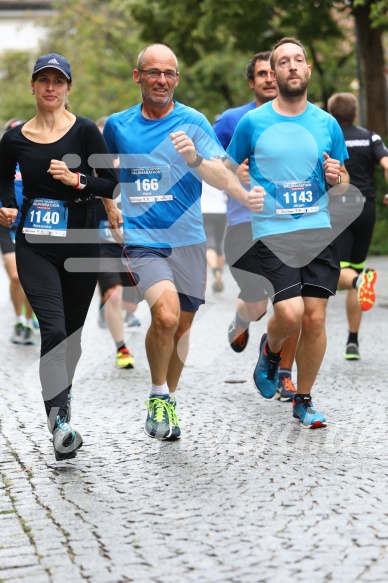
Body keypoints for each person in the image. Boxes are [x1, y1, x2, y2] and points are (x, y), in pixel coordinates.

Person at [102, 43, 262, 441]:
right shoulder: (118, 126)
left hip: (189, 239)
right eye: (153, 72)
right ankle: (157, 394)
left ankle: (168, 399)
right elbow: (103, 173)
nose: (162, 80)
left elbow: (221, 176)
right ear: (138, 76)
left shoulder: (193, 121)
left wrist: (193, 159)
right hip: (144, 239)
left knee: (181, 328)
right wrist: (109, 205)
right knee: (167, 316)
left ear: (177, 78)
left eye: (169, 73)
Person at [225, 38, 349, 428]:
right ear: (273, 73)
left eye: (299, 60)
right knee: (290, 314)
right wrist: (245, 189)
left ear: (308, 71)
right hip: (273, 232)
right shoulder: (253, 122)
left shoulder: (327, 123)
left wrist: (337, 177)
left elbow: (343, 182)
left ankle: (304, 400)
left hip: (319, 230)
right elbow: (227, 170)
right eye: (284, 62)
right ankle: (272, 349)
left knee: (314, 319)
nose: (292, 66)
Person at [0, 53, 118, 460]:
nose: (50, 87)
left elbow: (113, 184)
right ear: (32, 86)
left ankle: (62, 401)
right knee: (51, 328)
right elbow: (1, 178)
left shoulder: (85, 130)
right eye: (43, 80)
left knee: (70, 335)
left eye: (58, 81)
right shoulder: (14, 137)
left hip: (82, 243)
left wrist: (77, 179)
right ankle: (59, 421)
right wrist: (5, 205)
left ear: (69, 88)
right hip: (35, 243)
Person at [215, 51, 299, 402]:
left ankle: (283, 373)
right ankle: (241, 317)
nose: (268, 78)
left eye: (272, 72)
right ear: (252, 82)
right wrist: (233, 169)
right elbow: (211, 164)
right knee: (257, 305)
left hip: (288, 227)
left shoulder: (299, 118)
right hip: (242, 225)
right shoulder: (233, 121)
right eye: (261, 74)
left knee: (292, 304)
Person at [327, 92, 388, 360]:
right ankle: (352, 341)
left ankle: (361, 281)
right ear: (354, 113)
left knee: (337, 274)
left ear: (332, 114)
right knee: (353, 271)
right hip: (367, 209)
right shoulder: (370, 136)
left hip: (339, 209)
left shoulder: (328, 137)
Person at [94, 115, 137, 370]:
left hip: (135, 243)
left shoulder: (134, 164)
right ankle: (121, 348)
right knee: (114, 295)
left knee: (131, 302)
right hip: (103, 243)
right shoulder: (89, 169)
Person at [0, 118, 36, 345]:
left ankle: (30, 320)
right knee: (15, 276)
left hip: (32, 225)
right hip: (5, 226)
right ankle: (20, 319)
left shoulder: (34, 159)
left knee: (31, 279)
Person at [201, 181, 227, 292]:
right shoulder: (221, 165)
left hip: (204, 209)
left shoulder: (197, 165)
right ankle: (219, 276)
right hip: (221, 209)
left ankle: (215, 270)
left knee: (209, 243)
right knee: (219, 245)